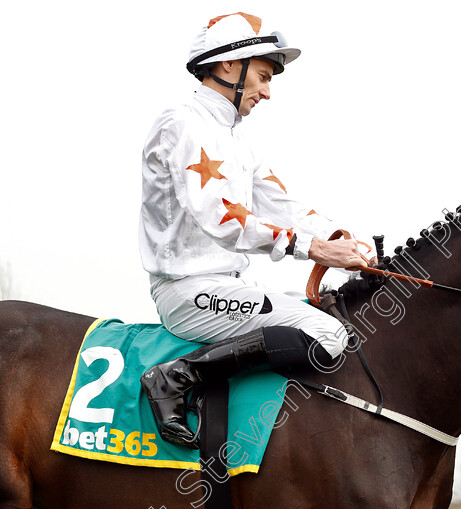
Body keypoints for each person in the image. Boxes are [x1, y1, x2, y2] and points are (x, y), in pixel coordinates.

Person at [137, 12, 369, 448]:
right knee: (329, 336)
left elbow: (282, 203)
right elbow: (224, 220)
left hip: (228, 285)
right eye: (263, 76)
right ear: (228, 65)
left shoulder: (237, 138)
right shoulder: (183, 122)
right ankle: (176, 376)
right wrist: (315, 249)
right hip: (187, 292)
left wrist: (341, 239)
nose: (267, 92)